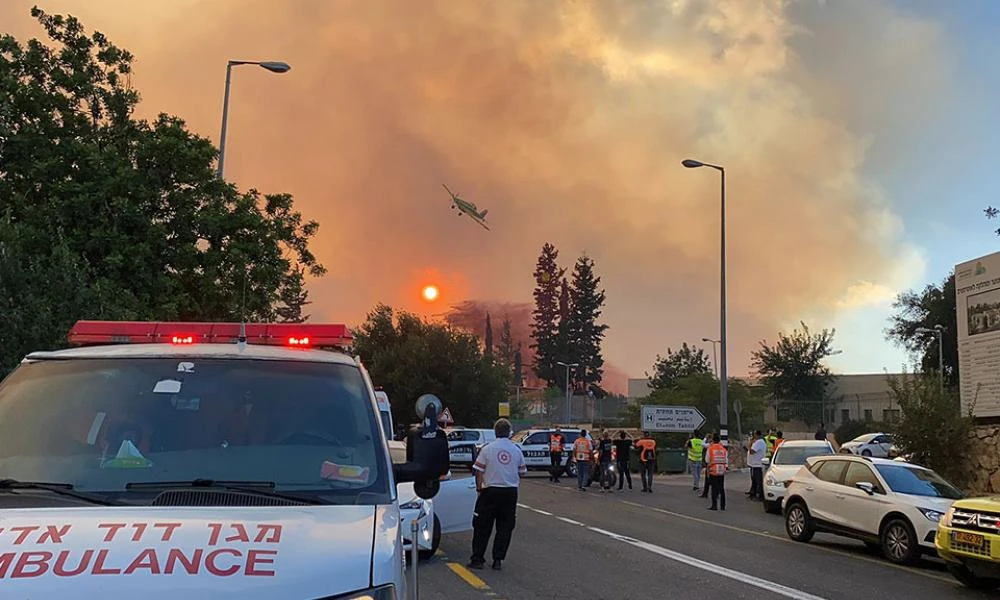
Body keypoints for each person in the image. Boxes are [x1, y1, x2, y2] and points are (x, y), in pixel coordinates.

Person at [468, 418, 527, 571]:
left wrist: (479, 489)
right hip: (509, 493)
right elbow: (522, 472)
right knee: (505, 527)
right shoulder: (516, 450)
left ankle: (478, 559)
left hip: (490, 491)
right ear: (509, 433)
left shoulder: (487, 449)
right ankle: (498, 559)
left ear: (495, 432)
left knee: (482, 526)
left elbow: (478, 471)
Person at [706, 433, 728, 511]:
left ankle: (714, 505)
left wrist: (708, 468)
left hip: (713, 470)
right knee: (721, 488)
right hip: (721, 470)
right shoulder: (723, 449)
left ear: (713, 440)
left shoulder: (710, 449)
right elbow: (726, 460)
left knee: (714, 489)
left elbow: (707, 460)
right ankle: (723, 506)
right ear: (719, 441)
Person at [746, 430, 766, 501]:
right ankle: (753, 493)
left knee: (757, 481)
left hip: (757, 465)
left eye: (754, 434)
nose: (753, 436)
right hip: (754, 464)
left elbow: (752, 451)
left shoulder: (759, 442)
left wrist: (749, 444)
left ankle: (759, 495)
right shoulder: (757, 442)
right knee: (754, 480)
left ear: (757, 435)